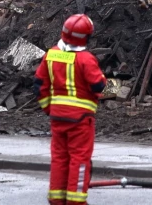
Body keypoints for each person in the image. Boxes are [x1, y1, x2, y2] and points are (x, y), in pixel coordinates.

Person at [34, 14, 106, 205]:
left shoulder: (51, 54)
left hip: (57, 118)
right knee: (79, 160)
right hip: (81, 120)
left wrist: (49, 109)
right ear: (86, 37)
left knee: (59, 158)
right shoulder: (86, 59)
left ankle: (57, 198)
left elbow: (39, 85)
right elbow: (98, 85)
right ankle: (76, 201)